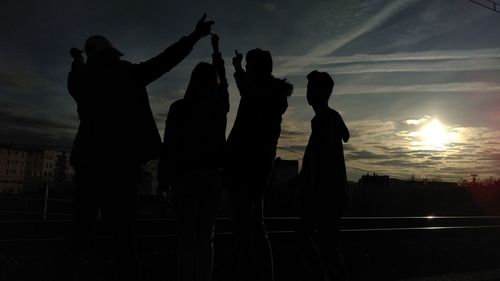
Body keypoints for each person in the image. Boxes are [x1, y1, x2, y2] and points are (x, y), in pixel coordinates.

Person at [64, 14, 214, 281]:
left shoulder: (80, 79)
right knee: (124, 238)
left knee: (79, 233)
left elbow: (78, 80)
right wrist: (194, 36)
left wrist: (78, 63)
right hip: (122, 168)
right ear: (110, 52)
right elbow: (165, 60)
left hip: (89, 166)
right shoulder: (128, 74)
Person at [158, 33, 229, 281]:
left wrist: (162, 180)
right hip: (212, 177)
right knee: (205, 238)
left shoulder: (179, 108)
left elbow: (169, 146)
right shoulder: (219, 106)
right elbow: (225, 83)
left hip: (184, 177)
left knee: (186, 240)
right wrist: (217, 51)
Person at [225, 48, 293, 281]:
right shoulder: (270, 94)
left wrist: (236, 69)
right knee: (255, 229)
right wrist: (237, 68)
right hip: (258, 172)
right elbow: (247, 88)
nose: (248, 71)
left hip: (244, 171)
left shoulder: (259, 95)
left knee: (244, 232)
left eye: (250, 66)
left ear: (258, 69)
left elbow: (247, 90)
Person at [294, 71, 350, 281]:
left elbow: (318, 160)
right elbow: (345, 135)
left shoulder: (323, 120)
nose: (307, 93)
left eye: (310, 88)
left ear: (319, 92)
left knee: (315, 243)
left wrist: (307, 184)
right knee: (328, 248)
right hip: (330, 194)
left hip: (325, 195)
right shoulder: (328, 117)